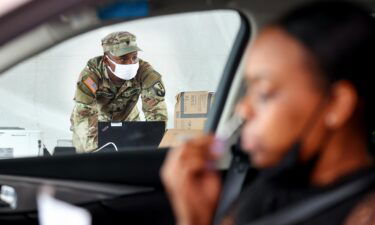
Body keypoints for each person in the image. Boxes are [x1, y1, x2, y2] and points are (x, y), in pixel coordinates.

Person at [161, 2, 375, 225]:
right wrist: (195, 217)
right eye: (248, 90)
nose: (243, 109)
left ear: (336, 105)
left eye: (264, 93)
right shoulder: (267, 190)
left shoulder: (365, 215)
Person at [70, 31, 168, 153]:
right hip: (94, 123)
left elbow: (156, 112)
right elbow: (84, 112)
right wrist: (95, 150)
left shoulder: (145, 72)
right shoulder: (91, 75)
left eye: (134, 57)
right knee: (86, 163)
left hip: (128, 121)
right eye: (122, 59)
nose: (131, 63)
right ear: (106, 60)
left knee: (131, 163)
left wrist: (156, 145)